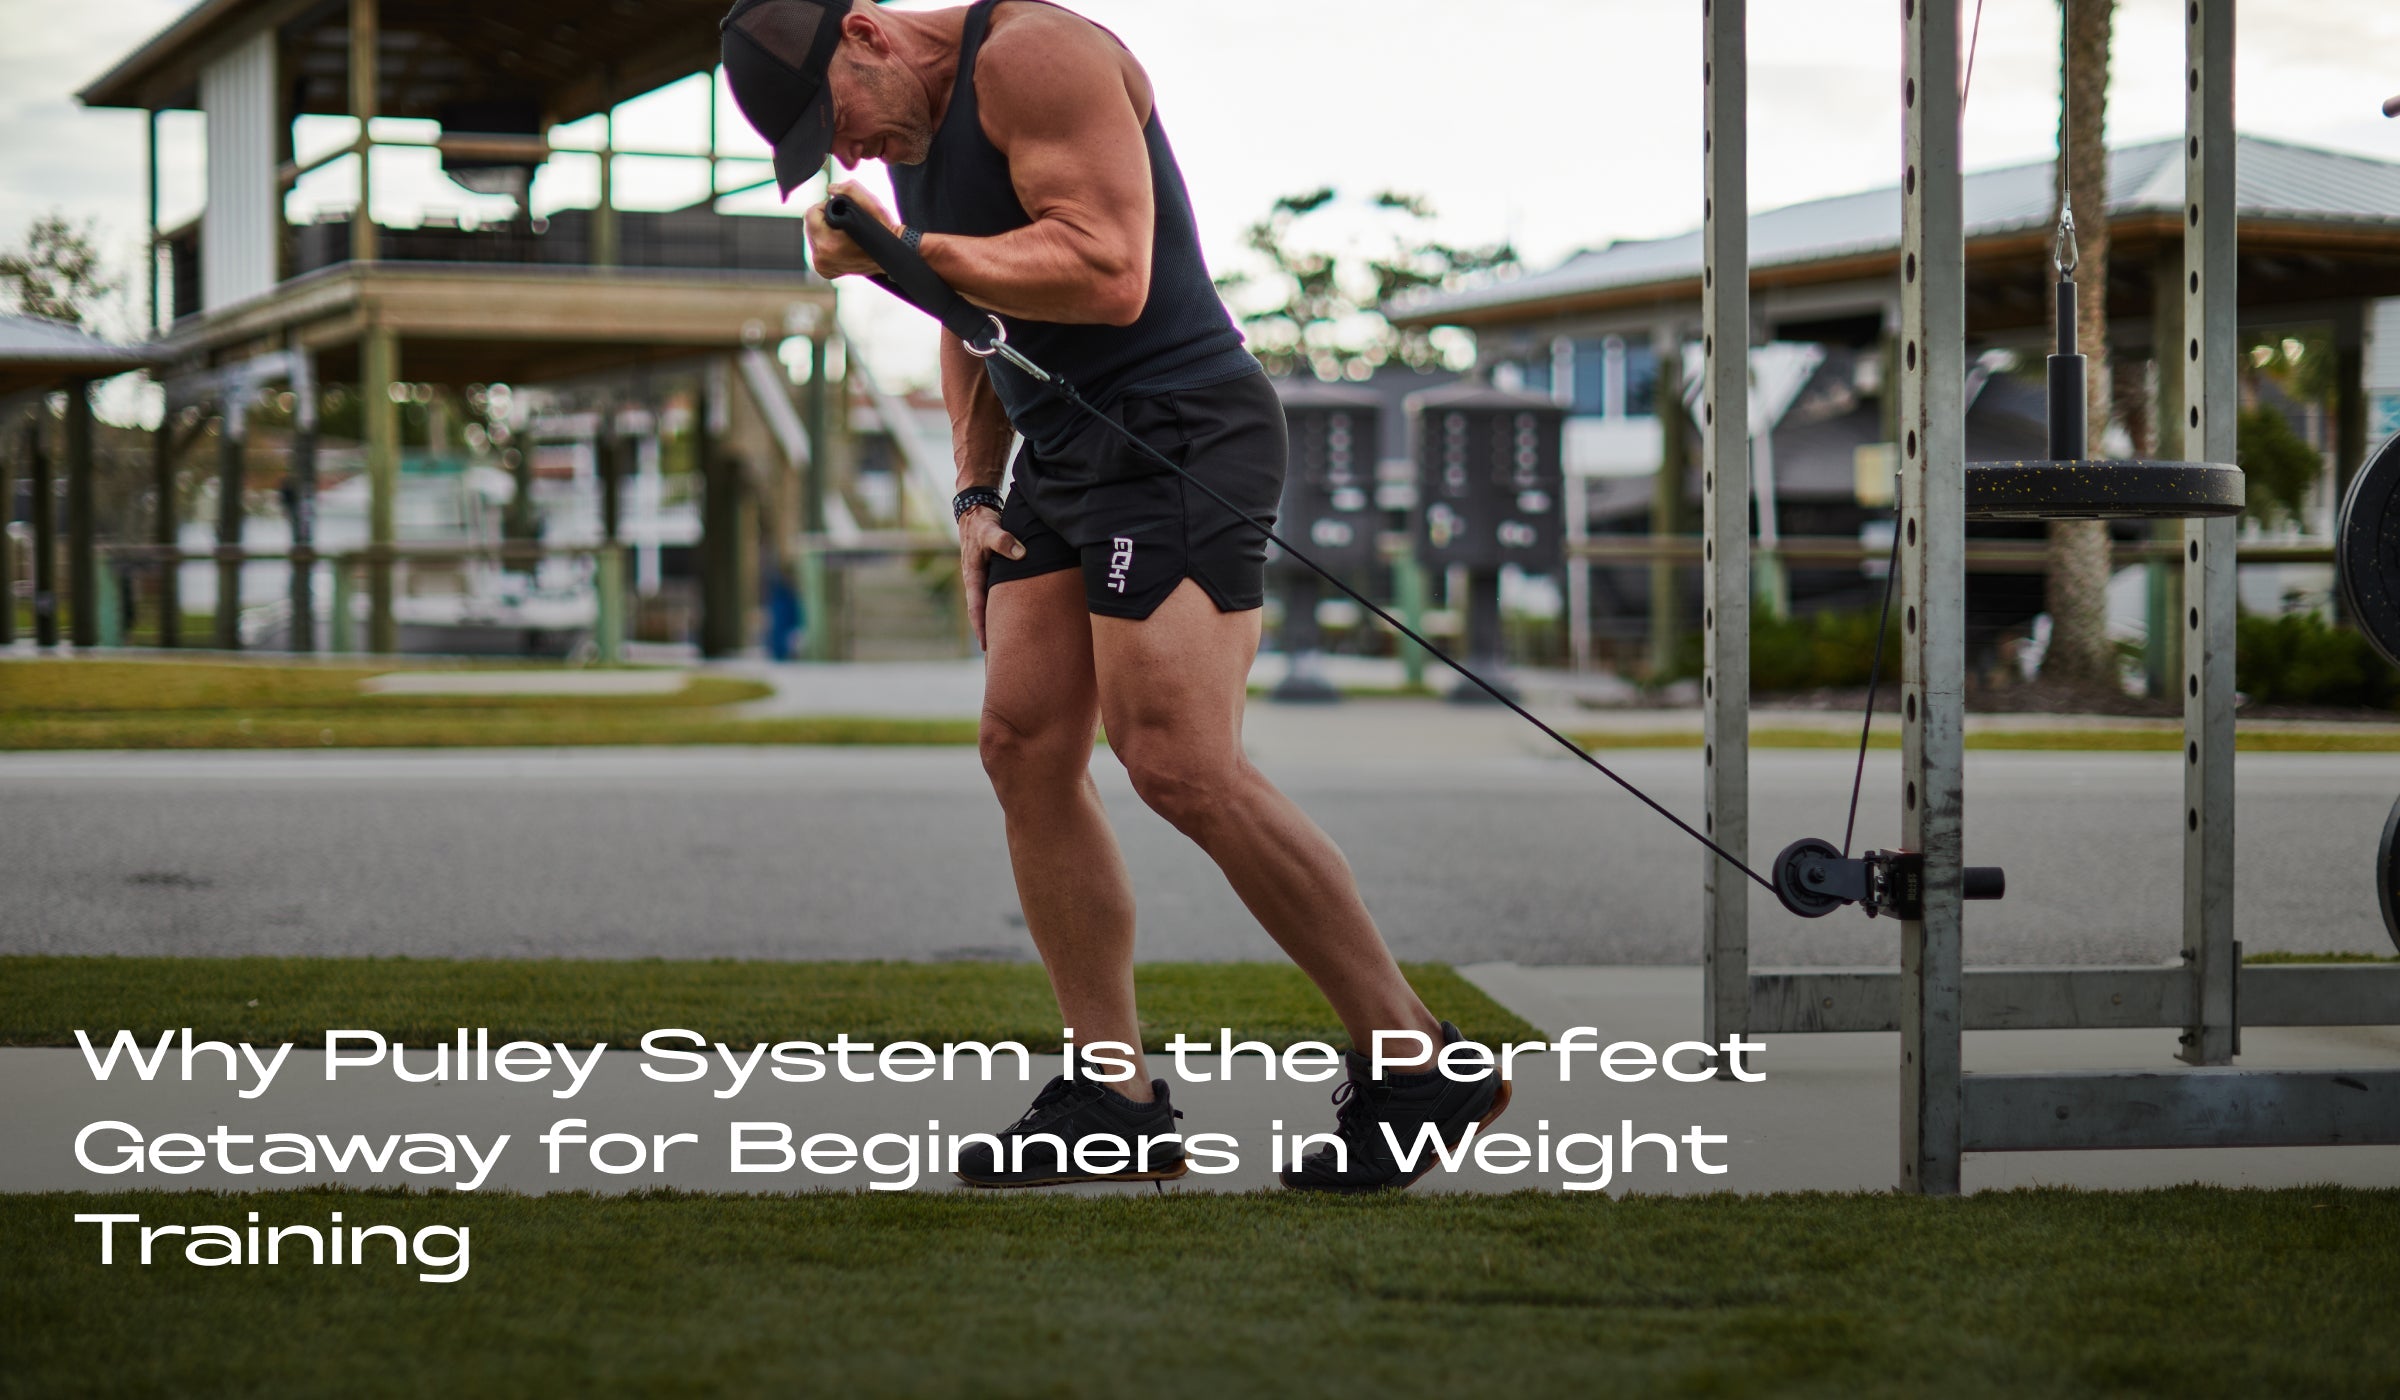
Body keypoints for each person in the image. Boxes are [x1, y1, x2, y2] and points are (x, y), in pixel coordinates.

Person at [718, 0, 1507, 1191]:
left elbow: (1107, 268)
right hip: (1064, 452)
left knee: (1179, 762)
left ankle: (1416, 1059)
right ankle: (1113, 1094)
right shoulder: (920, 146)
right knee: (1020, 743)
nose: (852, 154)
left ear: (869, 34)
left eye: (840, 120)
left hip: (1183, 427)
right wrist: (976, 492)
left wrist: (903, 258)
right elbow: (970, 326)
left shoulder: (1034, 54)